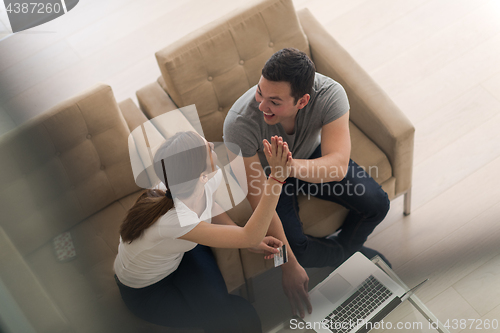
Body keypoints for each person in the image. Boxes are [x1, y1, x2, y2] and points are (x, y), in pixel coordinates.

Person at [223, 48, 391, 318]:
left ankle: (346, 252)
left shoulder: (330, 94)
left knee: (378, 204)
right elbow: (260, 206)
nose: (262, 106)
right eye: (259, 92)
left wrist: (288, 167)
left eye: (275, 102)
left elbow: (336, 166)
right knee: (297, 250)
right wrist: (288, 265)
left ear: (302, 101)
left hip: (310, 161)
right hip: (271, 181)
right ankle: (348, 253)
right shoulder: (239, 124)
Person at [114, 131, 292, 333]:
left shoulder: (204, 178)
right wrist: (276, 179)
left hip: (181, 253)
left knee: (232, 316)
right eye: (207, 146)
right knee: (235, 317)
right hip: (148, 290)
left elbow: (209, 205)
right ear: (199, 174)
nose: (212, 144)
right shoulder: (175, 219)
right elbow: (250, 234)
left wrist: (242, 238)